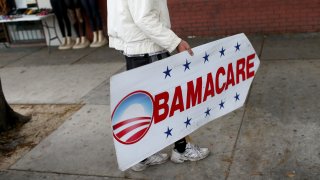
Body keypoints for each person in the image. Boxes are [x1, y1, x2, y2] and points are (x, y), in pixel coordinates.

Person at [107, 0, 210, 172]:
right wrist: (175, 41)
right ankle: (181, 149)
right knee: (170, 102)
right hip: (149, 48)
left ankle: (141, 155)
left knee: (143, 105)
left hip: (135, 48)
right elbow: (143, 18)